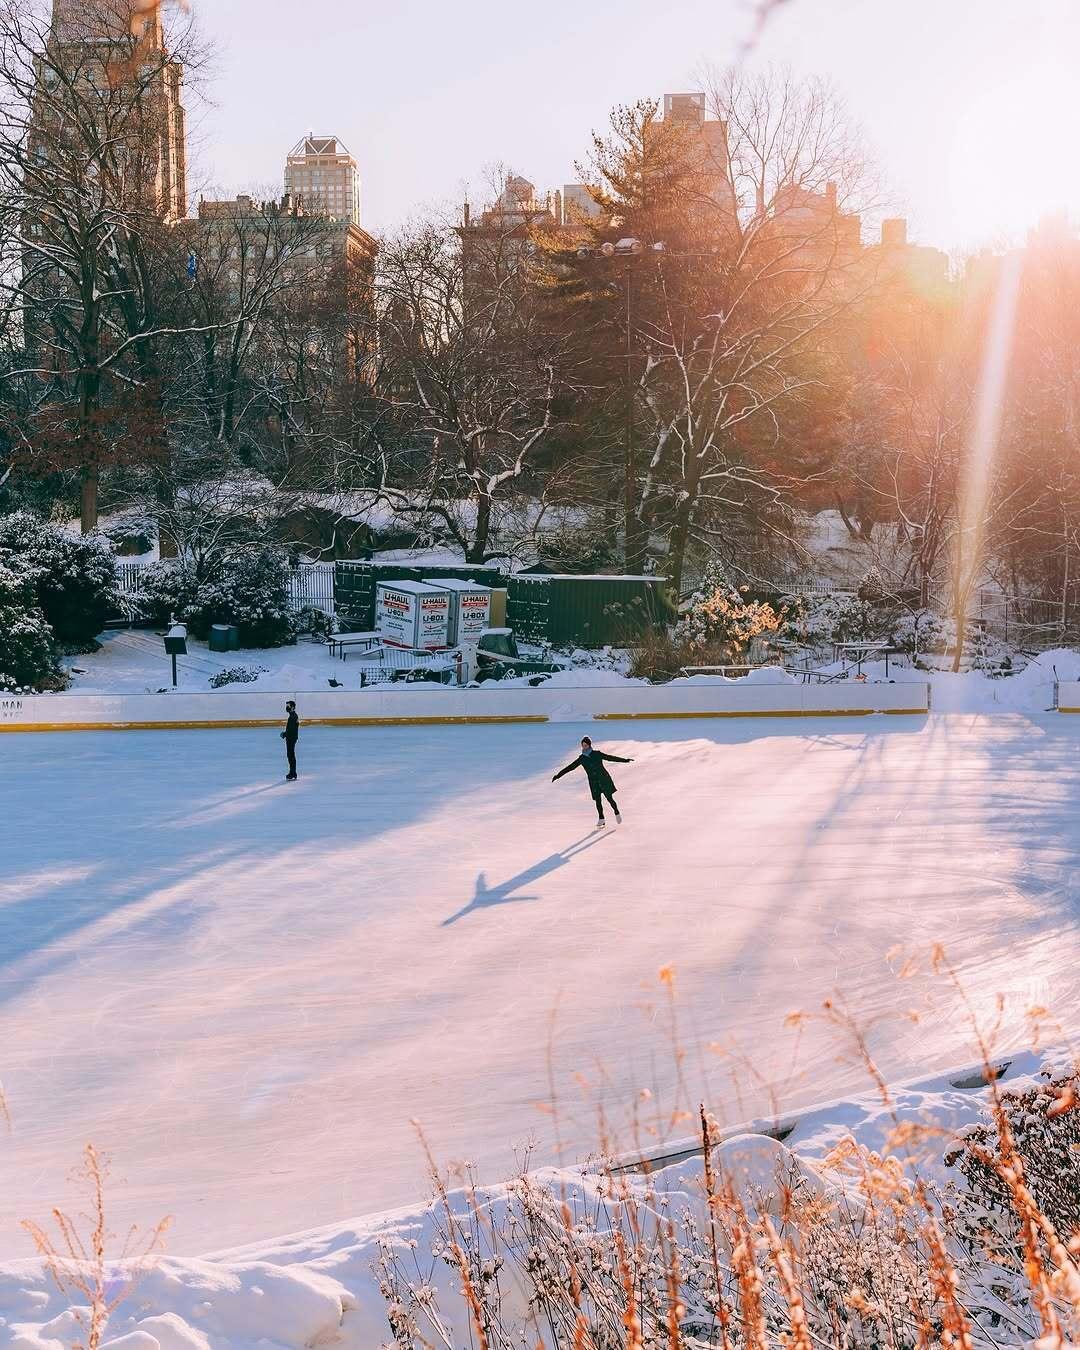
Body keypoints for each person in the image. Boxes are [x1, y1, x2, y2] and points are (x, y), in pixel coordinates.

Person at [551, 735, 633, 828]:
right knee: (598, 801)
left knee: (609, 799)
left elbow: (610, 758)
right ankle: (601, 819)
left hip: (603, 779)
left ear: (589, 745)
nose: (584, 747)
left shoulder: (597, 754)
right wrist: (558, 775)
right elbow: (570, 767)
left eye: (585, 745)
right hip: (593, 782)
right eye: (583, 745)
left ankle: (616, 812)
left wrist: (625, 760)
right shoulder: (581, 758)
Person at [280, 701, 299, 780]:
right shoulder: (293, 715)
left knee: (290, 755)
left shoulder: (293, 716)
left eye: (288, 706)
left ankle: (293, 772)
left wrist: (284, 734)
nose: (287, 707)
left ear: (293, 707)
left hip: (291, 738)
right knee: (290, 755)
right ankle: (293, 772)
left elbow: (292, 729)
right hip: (291, 738)